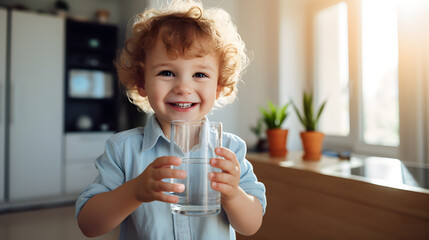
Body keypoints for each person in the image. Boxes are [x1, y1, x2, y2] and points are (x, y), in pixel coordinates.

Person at [75, 0, 266, 239]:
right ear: (142, 83)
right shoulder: (123, 149)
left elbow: (251, 225)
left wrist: (233, 195)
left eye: (200, 74)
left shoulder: (229, 150)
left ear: (218, 87)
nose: (184, 87)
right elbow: (89, 225)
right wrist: (134, 191)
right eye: (167, 72)